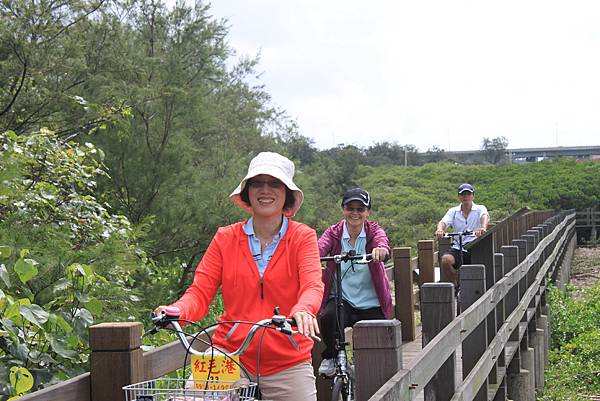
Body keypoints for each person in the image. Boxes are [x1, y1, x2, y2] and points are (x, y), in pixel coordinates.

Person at [154, 152, 324, 401]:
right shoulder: (225, 237)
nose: (265, 190)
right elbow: (200, 292)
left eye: (274, 183)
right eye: (258, 183)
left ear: (287, 192)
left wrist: (304, 309)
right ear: (248, 191)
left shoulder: (303, 237)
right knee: (192, 399)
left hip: (287, 360)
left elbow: (312, 284)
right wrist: (176, 311)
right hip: (228, 354)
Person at [317, 187, 393, 377]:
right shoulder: (334, 233)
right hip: (342, 298)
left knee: (378, 347)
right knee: (327, 317)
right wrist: (309, 257)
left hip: (370, 301)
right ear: (343, 209)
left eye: (361, 208)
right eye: (350, 207)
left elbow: (381, 241)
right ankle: (332, 357)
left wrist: (381, 250)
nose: (355, 213)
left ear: (368, 212)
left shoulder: (373, 231)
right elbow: (319, 248)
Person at [435, 183, 490, 291]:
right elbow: (443, 222)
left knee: (479, 267)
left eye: (468, 194)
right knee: (446, 260)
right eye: (463, 194)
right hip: (458, 247)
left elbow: (485, 216)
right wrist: (440, 229)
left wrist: (482, 228)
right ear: (459, 197)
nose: (466, 197)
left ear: (473, 196)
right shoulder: (453, 211)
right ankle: (456, 285)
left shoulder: (480, 208)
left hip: (475, 246)